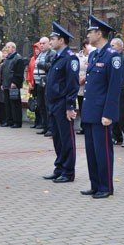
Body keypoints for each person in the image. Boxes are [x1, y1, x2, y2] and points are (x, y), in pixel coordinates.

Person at [80, 16, 123, 198]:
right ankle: (95, 184)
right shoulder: (94, 54)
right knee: (91, 151)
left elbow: (114, 88)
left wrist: (109, 113)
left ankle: (106, 187)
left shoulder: (113, 56)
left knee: (103, 150)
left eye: (91, 32)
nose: (88, 34)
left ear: (99, 33)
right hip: (90, 111)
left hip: (102, 113)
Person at [42, 22, 79, 183]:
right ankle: (59, 168)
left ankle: (68, 171)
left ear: (62, 40)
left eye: (53, 38)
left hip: (63, 104)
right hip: (53, 103)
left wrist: (70, 106)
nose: (51, 41)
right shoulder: (57, 56)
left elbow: (72, 84)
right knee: (57, 138)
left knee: (66, 139)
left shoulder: (70, 58)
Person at [34, 36, 56, 137]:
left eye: (44, 43)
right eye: (40, 43)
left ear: (49, 44)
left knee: (48, 106)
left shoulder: (52, 53)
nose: (41, 45)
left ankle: (51, 128)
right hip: (39, 83)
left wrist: (40, 64)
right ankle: (45, 126)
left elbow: (51, 66)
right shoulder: (40, 54)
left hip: (47, 83)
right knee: (41, 105)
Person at [0, 42, 25, 128]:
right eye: (6, 47)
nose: (6, 49)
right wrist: (2, 82)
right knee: (7, 104)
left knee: (15, 104)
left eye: (8, 47)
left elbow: (19, 72)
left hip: (13, 84)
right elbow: (3, 71)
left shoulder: (18, 58)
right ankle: (9, 120)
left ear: (13, 48)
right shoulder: (7, 58)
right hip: (6, 84)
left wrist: (14, 82)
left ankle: (17, 122)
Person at [76, 39, 91, 135]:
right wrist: (77, 79)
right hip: (79, 86)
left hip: (88, 85)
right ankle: (83, 127)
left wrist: (84, 78)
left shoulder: (92, 56)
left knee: (88, 107)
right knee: (81, 107)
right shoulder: (77, 56)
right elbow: (74, 69)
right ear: (84, 46)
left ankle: (88, 126)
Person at [27, 42, 41, 128]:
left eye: (37, 48)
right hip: (32, 84)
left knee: (40, 103)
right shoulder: (32, 59)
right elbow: (29, 71)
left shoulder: (41, 59)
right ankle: (36, 122)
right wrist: (29, 82)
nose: (36, 50)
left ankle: (41, 122)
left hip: (39, 83)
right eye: (35, 49)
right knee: (35, 102)